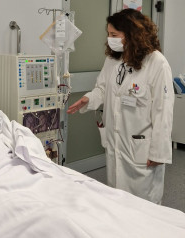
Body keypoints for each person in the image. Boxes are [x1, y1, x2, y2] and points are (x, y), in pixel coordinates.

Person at [66, 9, 174, 204]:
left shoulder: (157, 63)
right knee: (117, 200)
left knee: (143, 205)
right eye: (108, 34)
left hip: (141, 147)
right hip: (117, 143)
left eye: (114, 35)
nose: (110, 39)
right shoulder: (113, 59)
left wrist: (159, 152)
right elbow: (103, 88)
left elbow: (163, 111)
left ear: (132, 34)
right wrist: (89, 99)